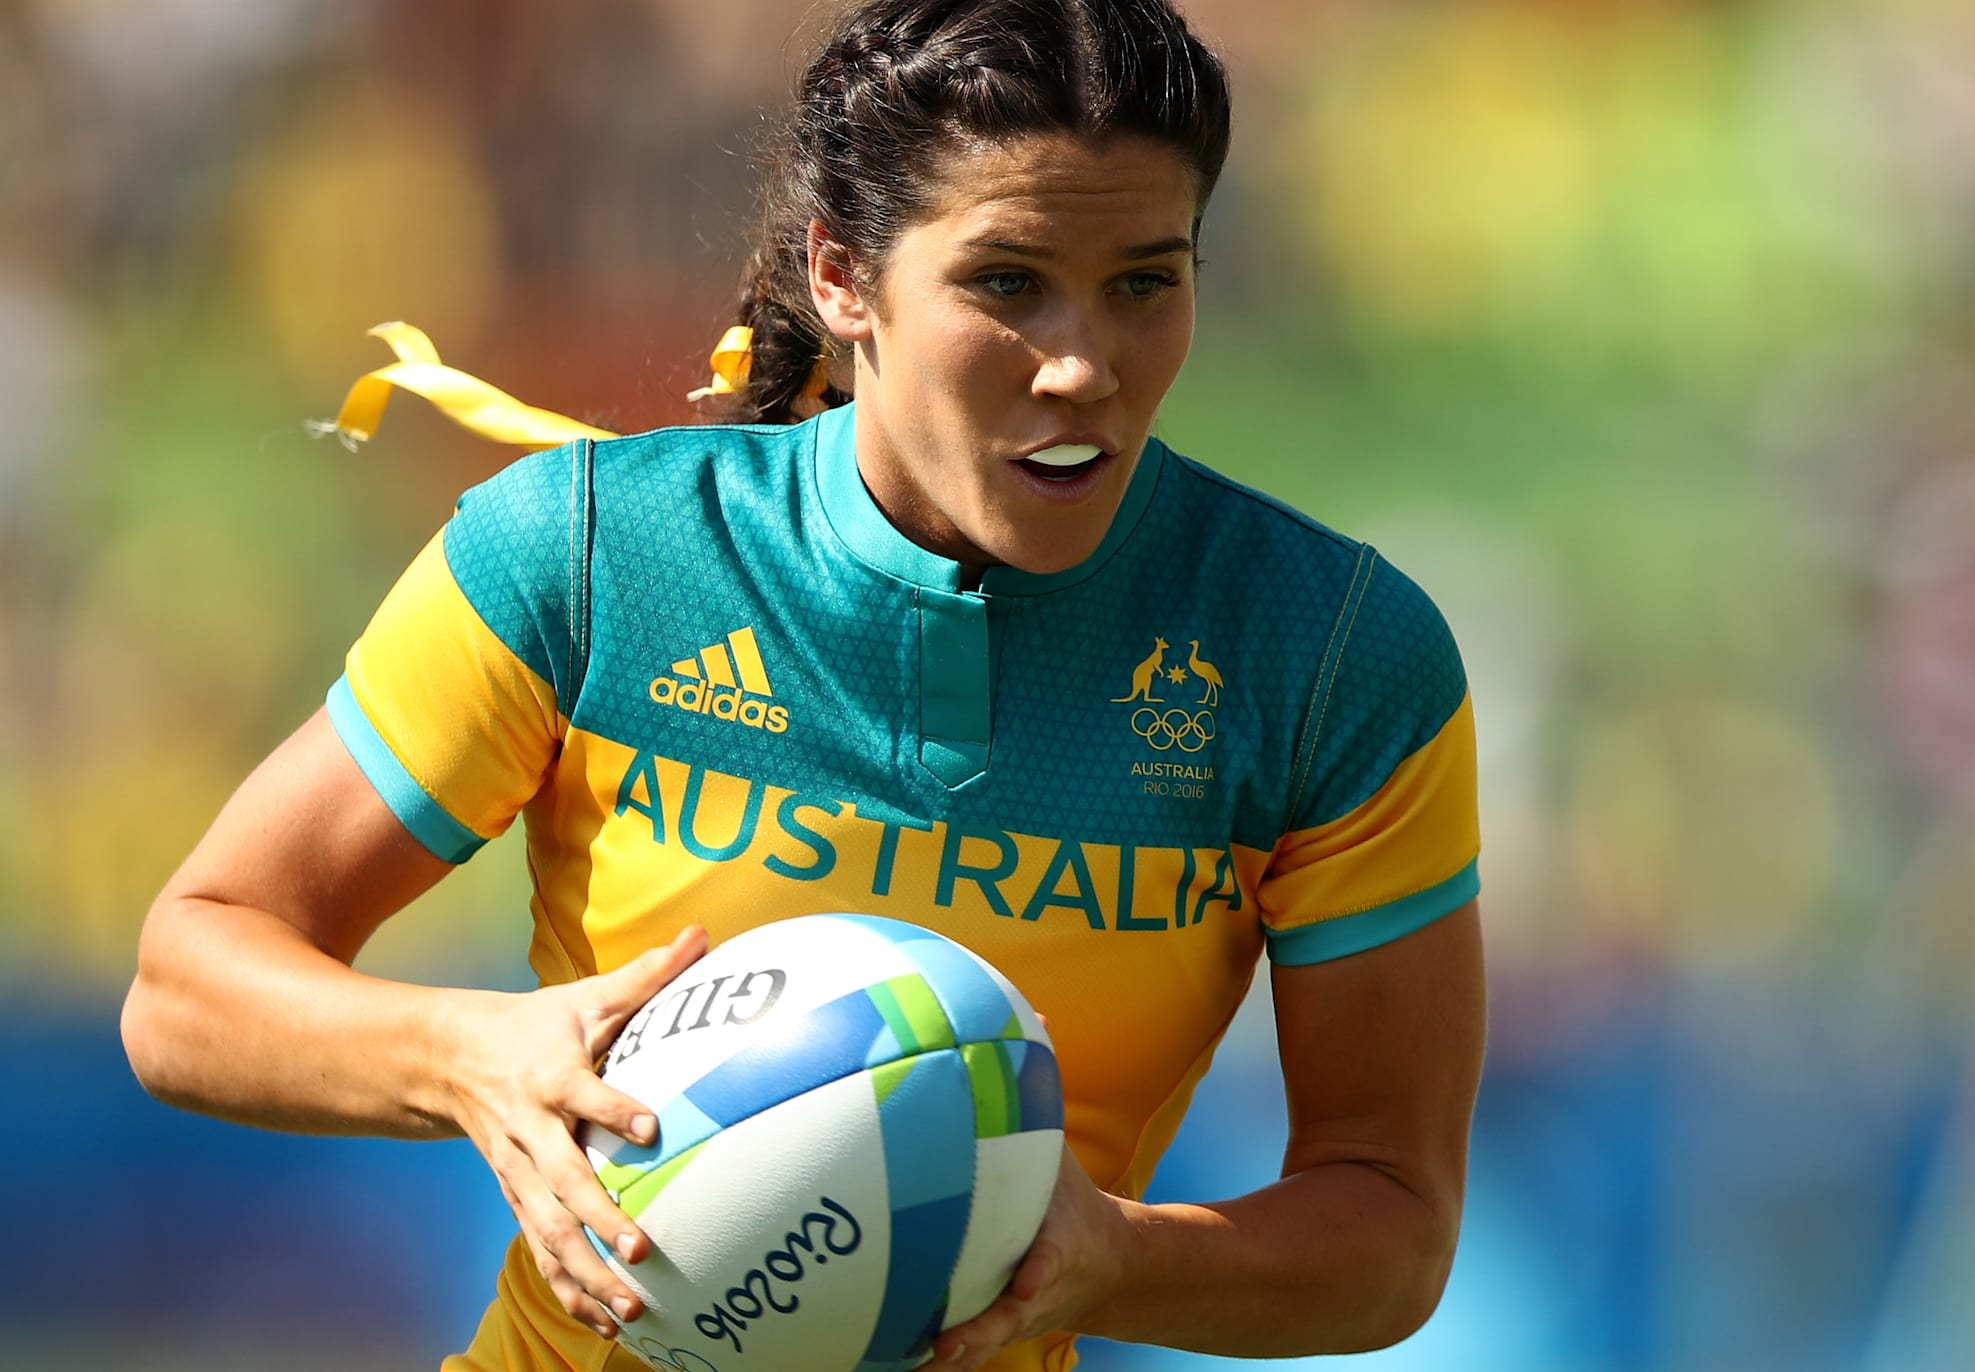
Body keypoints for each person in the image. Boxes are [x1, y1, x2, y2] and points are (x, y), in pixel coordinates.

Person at [119, 0, 1485, 1368]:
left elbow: (1391, 1230)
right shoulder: (593, 559)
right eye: (1007, 282)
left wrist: (1117, 1257)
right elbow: (189, 984)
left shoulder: (1326, 658)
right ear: (843, 276)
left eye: (1144, 281)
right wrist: (468, 1062)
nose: (1082, 366)